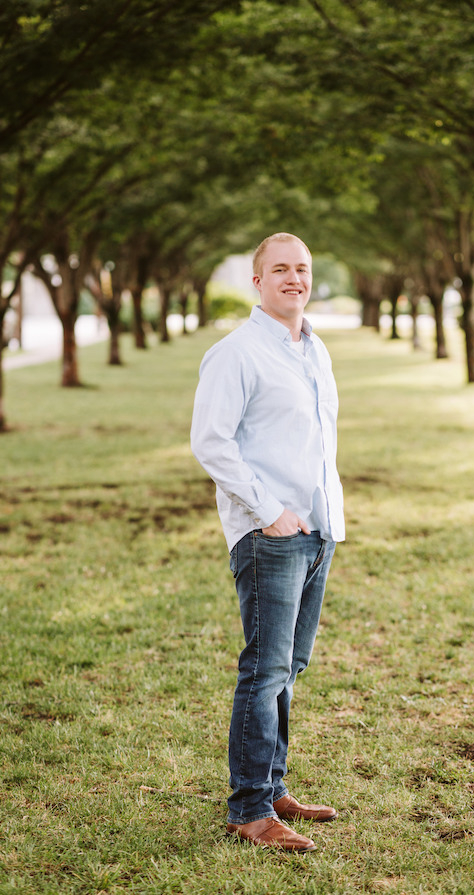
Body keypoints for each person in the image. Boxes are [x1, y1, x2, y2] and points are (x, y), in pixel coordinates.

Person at [191, 232, 346, 853]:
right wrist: (270, 510)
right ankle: (250, 811)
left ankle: (273, 787)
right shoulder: (236, 353)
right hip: (270, 534)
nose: (293, 278)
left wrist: (324, 517)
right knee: (264, 671)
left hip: (318, 531)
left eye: (302, 268)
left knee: (288, 667)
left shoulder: (314, 349)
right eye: (279, 269)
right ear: (257, 282)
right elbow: (211, 442)